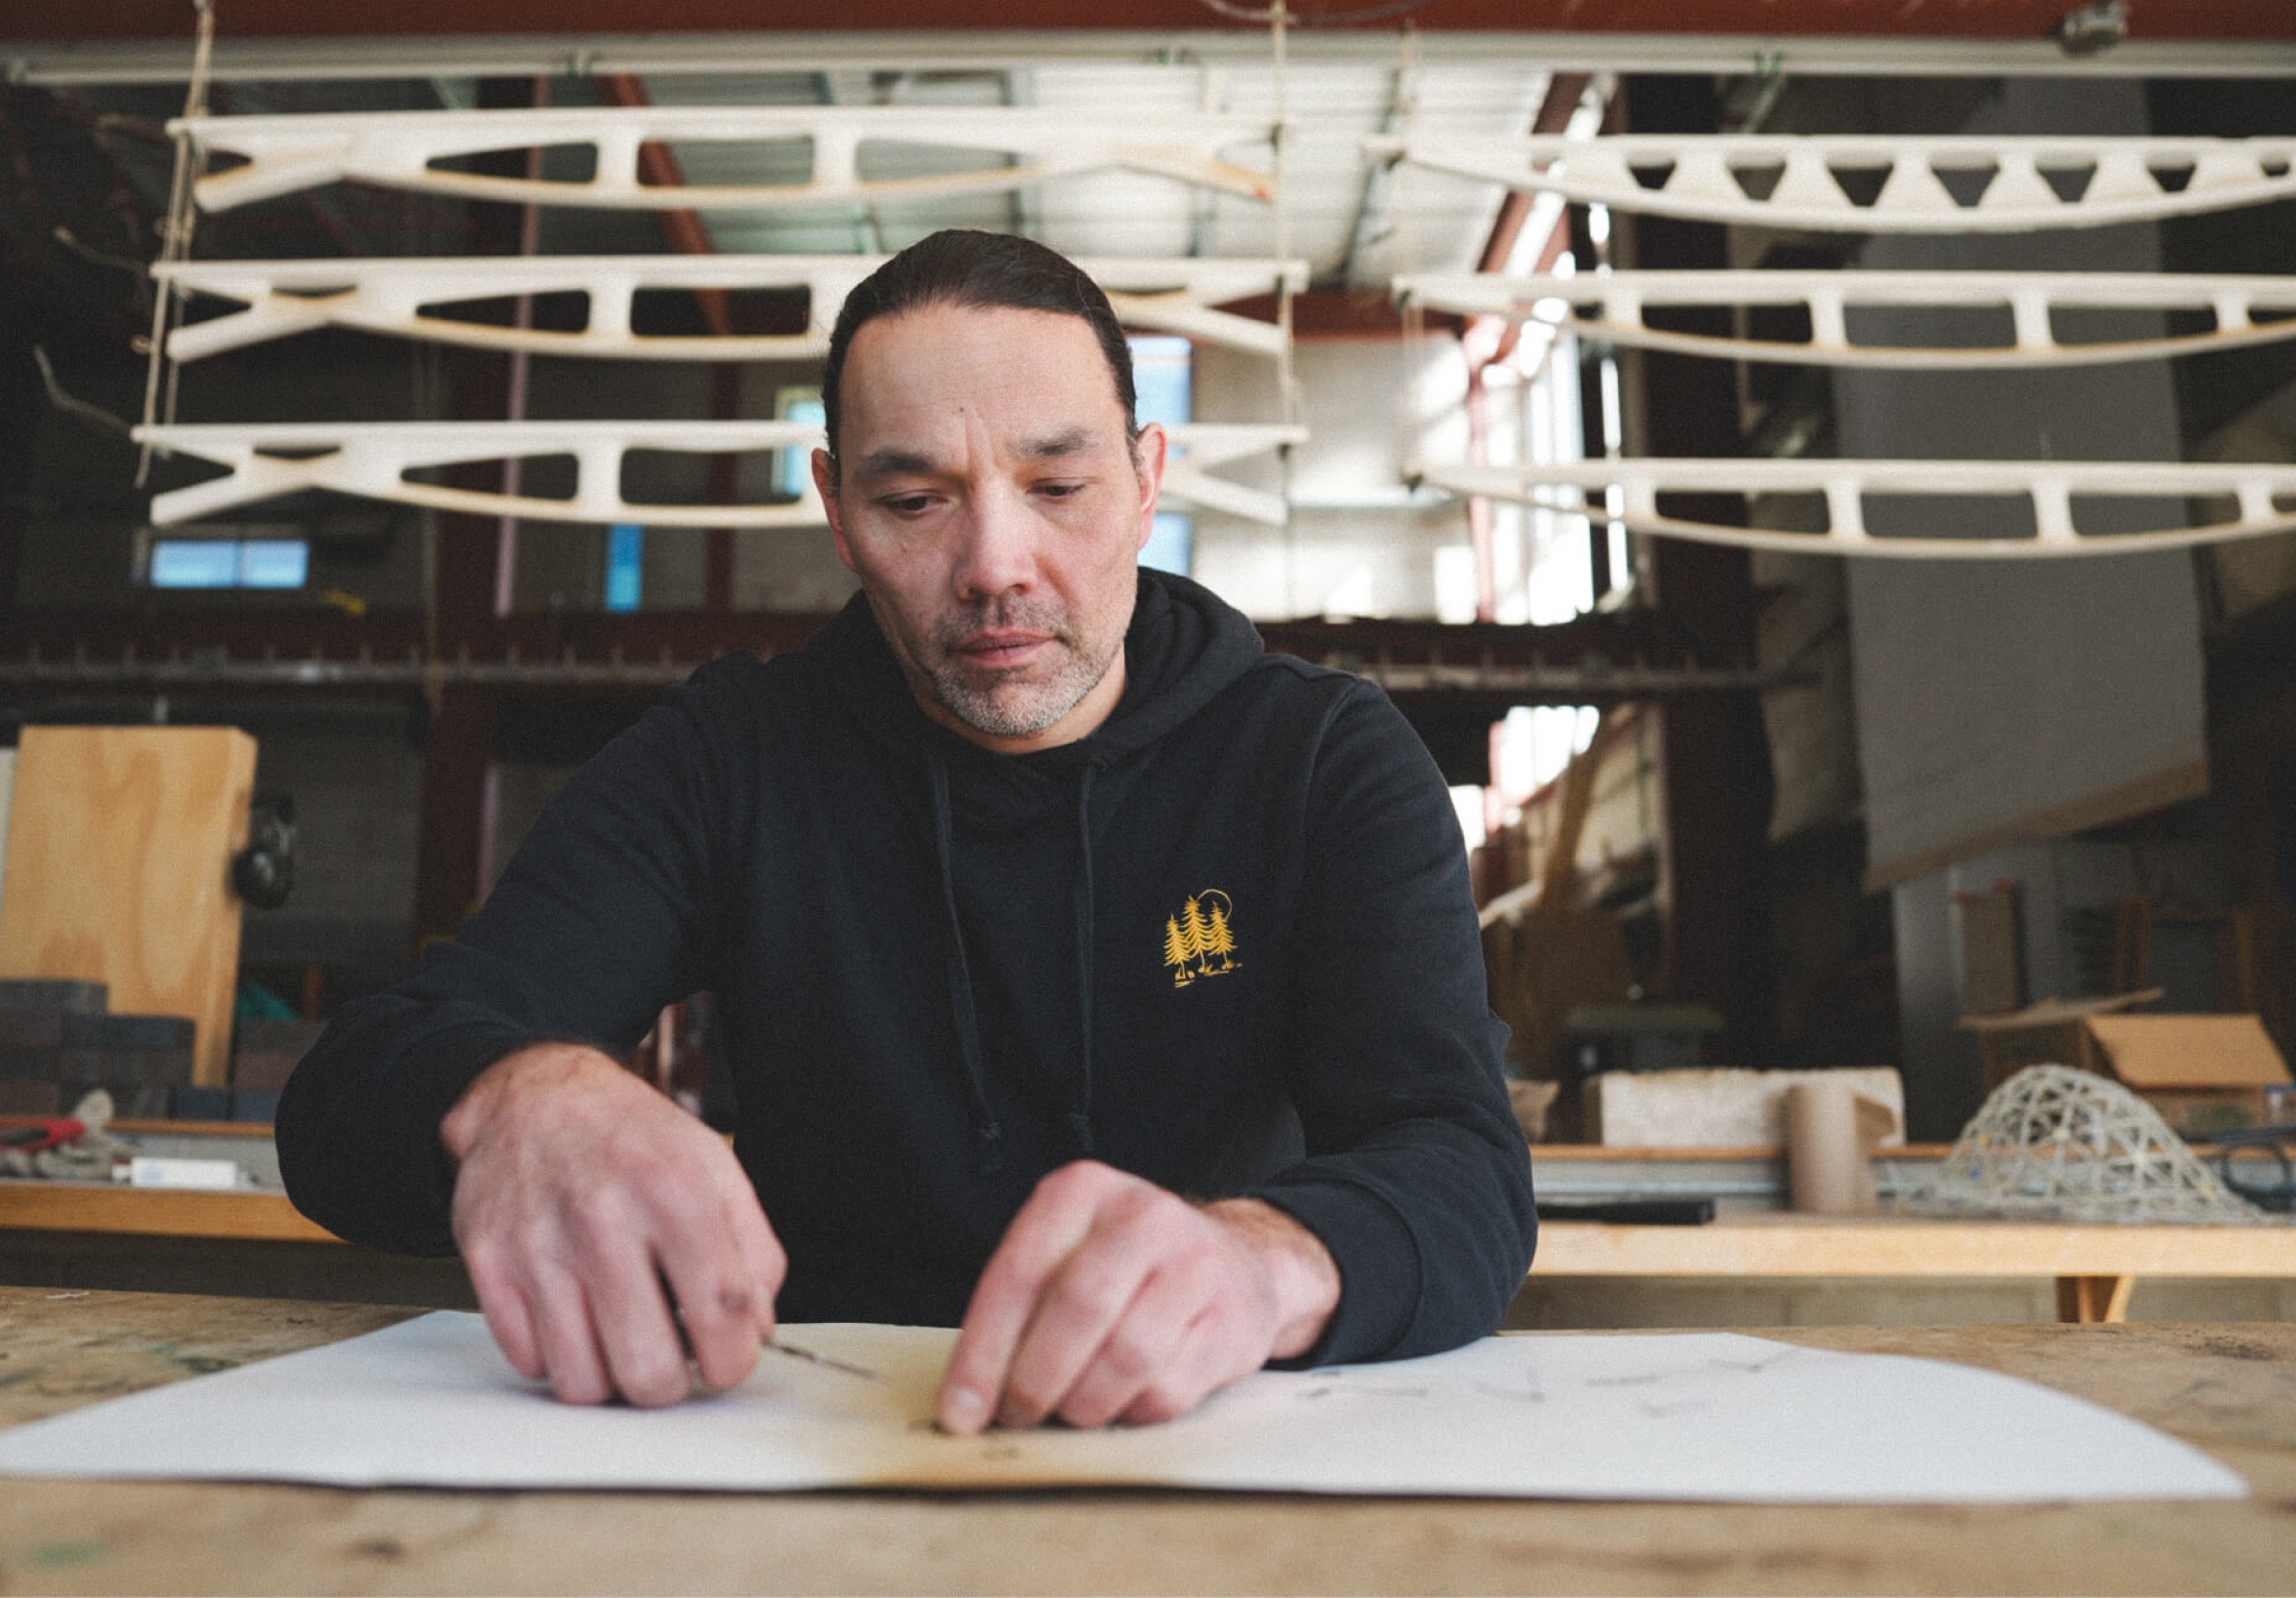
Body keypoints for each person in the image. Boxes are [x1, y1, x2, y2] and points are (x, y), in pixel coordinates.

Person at [277, 229, 1534, 1434]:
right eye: (916, 499)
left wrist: (1264, 1266)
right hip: (790, 1427)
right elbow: (348, 1097)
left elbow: (1461, 1165)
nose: (996, 562)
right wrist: (508, 1095)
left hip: (1196, 1424)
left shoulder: (1319, 762)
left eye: (1058, 486)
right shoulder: (733, 759)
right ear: (836, 509)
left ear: (1150, 479)